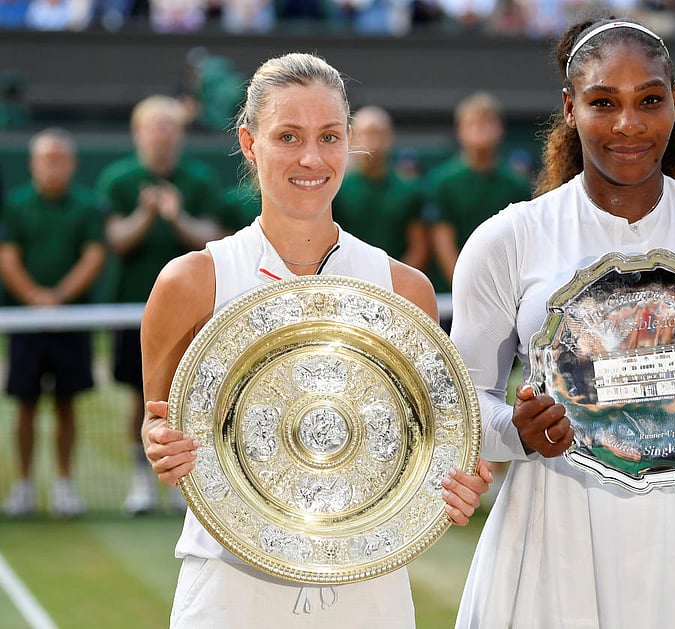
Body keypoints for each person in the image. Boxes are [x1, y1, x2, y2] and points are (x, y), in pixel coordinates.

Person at [449, 17, 675, 628]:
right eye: (602, 102)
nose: (628, 124)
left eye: (649, 100)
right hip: (553, 534)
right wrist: (519, 431)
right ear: (570, 108)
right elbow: (458, 410)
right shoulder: (509, 238)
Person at [139, 52, 493, 627]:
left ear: (350, 142)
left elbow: (433, 447)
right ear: (249, 143)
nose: (311, 158)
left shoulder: (406, 290)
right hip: (229, 586)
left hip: (369, 590)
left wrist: (455, 482)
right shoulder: (189, 283)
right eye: (288, 136)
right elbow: (159, 419)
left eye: (329, 136)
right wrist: (161, 442)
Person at [96, 94, 227, 516]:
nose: (162, 136)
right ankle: (142, 484)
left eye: (170, 128)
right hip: (132, 307)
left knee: (193, 396)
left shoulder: (200, 179)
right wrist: (146, 213)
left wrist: (175, 216)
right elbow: (117, 239)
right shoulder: (118, 180)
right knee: (144, 398)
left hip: (194, 311)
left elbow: (211, 235)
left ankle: (184, 482)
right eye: (154, 127)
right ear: (139, 133)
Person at [0, 128, 106, 517]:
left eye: (60, 159)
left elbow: (93, 255)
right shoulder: (15, 206)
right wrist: (33, 298)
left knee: (66, 405)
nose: (53, 166)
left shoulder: (87, 206)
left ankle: (64, 485)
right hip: (25, 325)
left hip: (71, 322)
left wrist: (59, 298)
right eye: (46, 159)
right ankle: (24, 486)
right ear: (33, 164)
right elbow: (7, 257)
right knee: (25, 405)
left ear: (72, 164)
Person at [425, 91, 531, 331]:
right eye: (472, 123)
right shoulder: (442, 181)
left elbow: (521, 245)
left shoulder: (515, 183)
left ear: (500, 129)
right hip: (450, 299)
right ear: (459, 130)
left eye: (487, 122)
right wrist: (467, 288)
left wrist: (503, 291)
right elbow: (441, 241)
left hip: (505, 297)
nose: (480, 130)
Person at [332, 105, 430, 272]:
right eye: (366, 133)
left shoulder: (410, 190)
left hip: (395, 288)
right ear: (351, 138)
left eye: (378, 133)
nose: (372, 141)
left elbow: (419, 247)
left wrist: (395, 282)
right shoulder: (337, 190)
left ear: (390, 138)